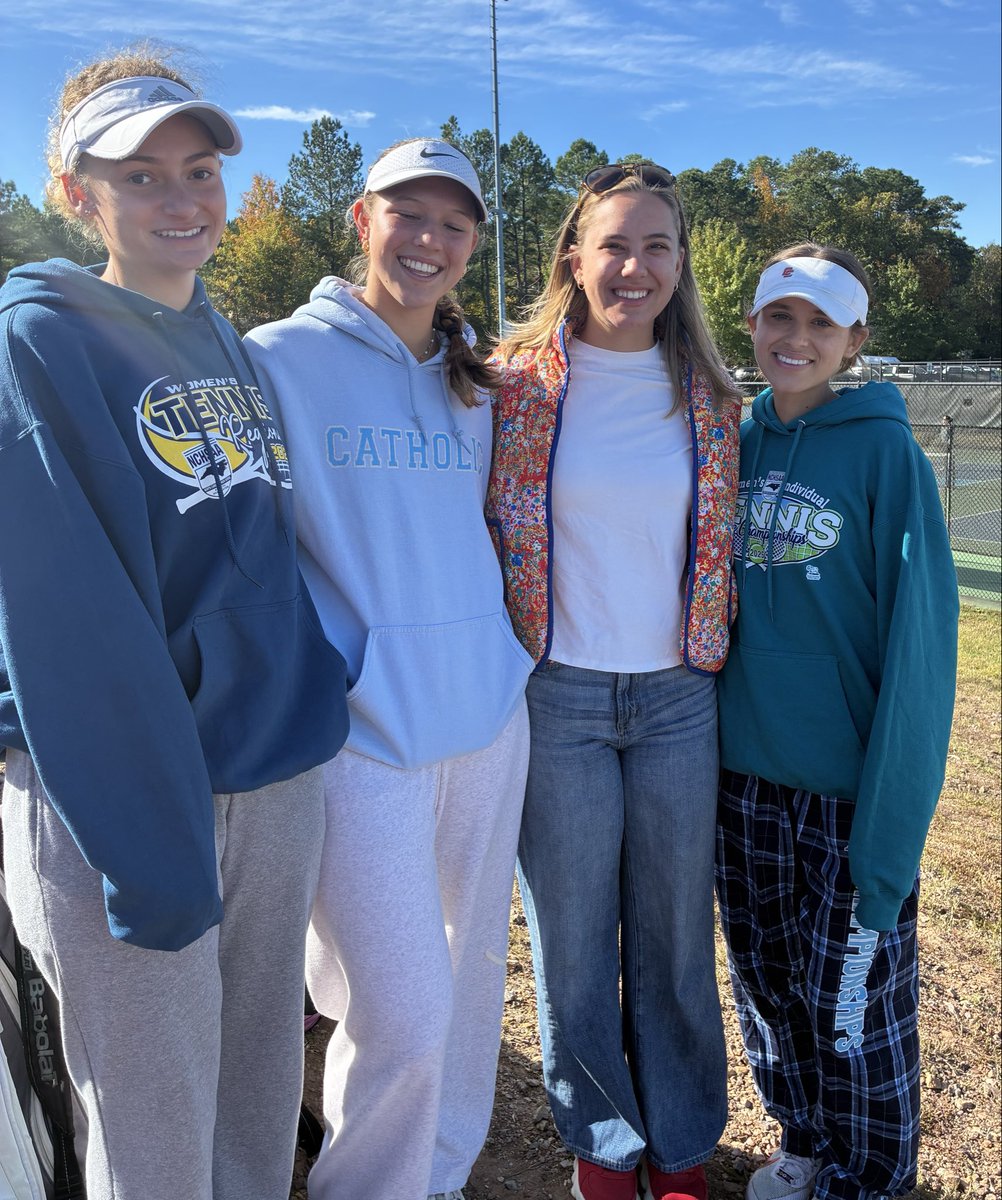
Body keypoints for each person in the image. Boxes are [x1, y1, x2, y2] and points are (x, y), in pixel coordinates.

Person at [0, 49, 349, 1200]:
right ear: (77, 194)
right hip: (126, 795)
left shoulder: (225, 341)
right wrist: (148, 852)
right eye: (141, 176)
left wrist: (307, 685)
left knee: (253, 1102)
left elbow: (259, 556)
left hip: (268, 771)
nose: (182, 198)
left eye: (199, 170)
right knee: (154, 1137)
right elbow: (71, 624)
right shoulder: (41, 340)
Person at [245, 138, 533, 1200]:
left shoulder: (478, 381)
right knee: (401, 1010)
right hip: (362, 737)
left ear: (472, 245)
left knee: (467, 992)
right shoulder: (276, 359)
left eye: (454, 223)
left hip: (487, 723)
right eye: (408, 214)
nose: (429, 240)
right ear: (362, 220)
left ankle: (439, 1176)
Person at [485, 162, 741, 1200]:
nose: (636, 267)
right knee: (573, 944)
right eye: (615, 245)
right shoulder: (511, 387)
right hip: (560, 699)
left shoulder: (713, 398)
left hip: (679, 698)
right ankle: (602, 1146)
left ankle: (680, 1148)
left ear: (680, 265)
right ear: (574, 257)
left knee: (677, 938)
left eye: (657, 247)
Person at [714, 245, 959, 1200]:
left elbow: (920, 648)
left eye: (822, 323)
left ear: (855, 340)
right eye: (781, 317)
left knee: (851, 1001)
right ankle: (805, 1138)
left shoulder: (886, 453)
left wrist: (892, 826)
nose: (797, 338)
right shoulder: (733, 442)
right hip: (744, 784)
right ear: (752, 324)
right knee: (769, 985)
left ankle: (869, 1176)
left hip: (848, 795)